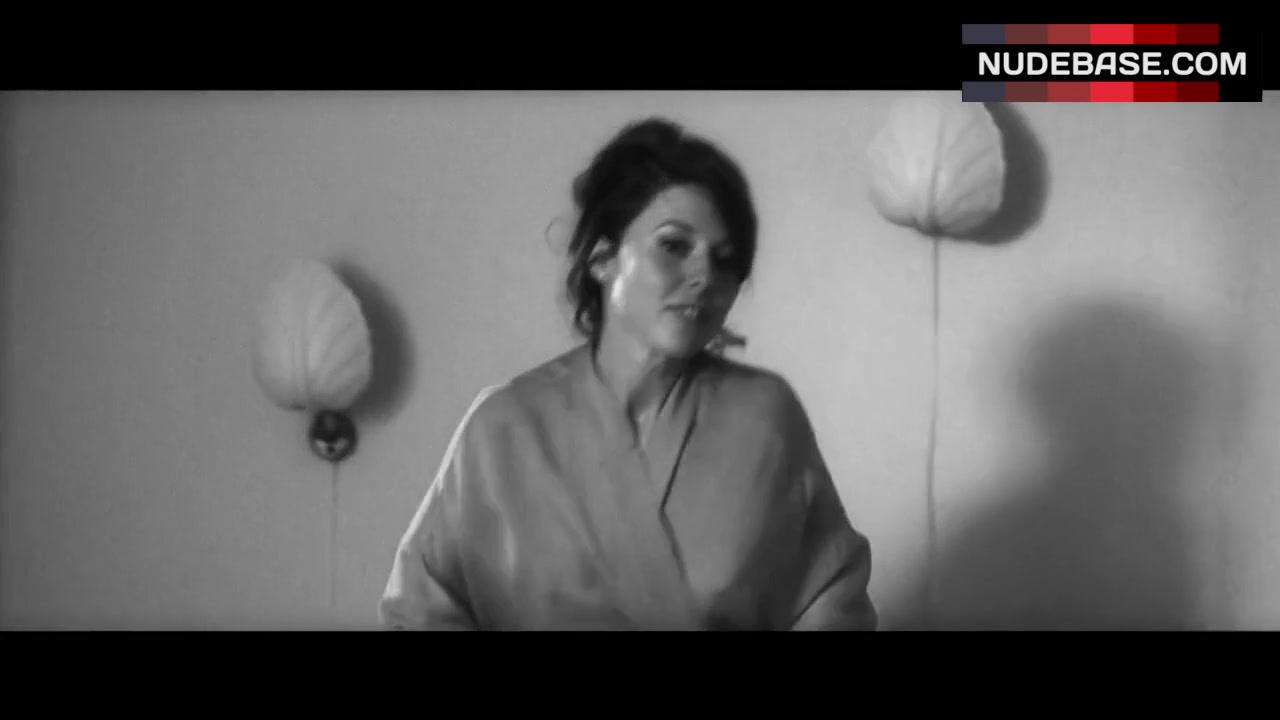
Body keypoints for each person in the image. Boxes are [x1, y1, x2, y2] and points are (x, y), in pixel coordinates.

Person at [378, 116, 878, 630]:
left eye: (725, 260)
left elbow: (832, 596)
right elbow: (419, 610)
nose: (705, 276)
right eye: (675, 245)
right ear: (602, 258)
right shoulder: (502, 429)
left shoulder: (766, 418)